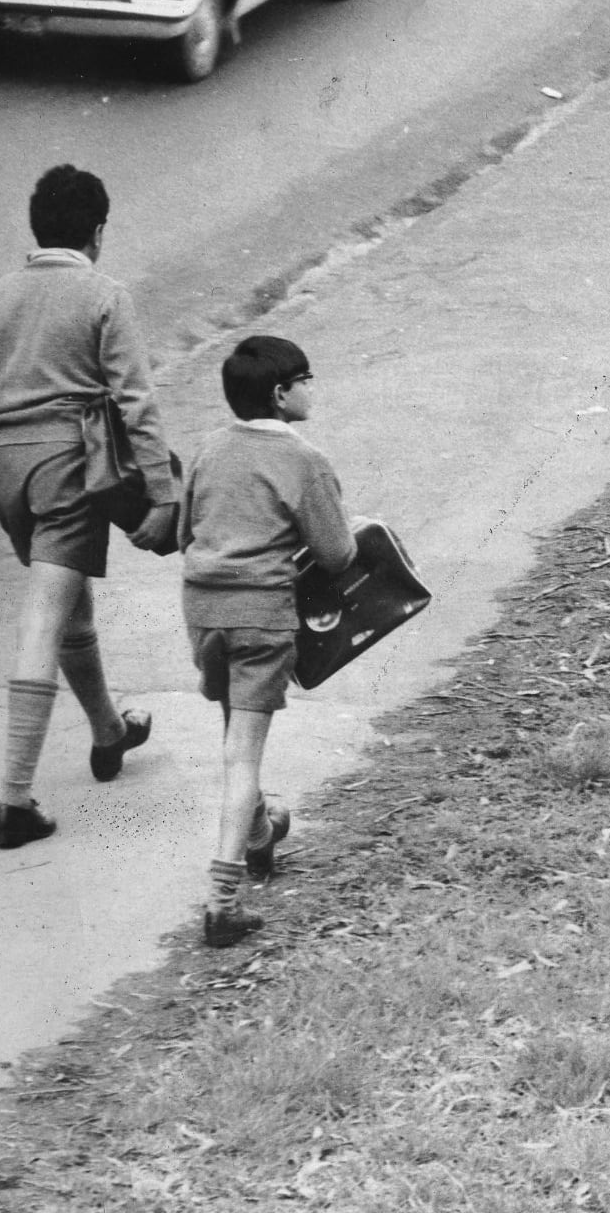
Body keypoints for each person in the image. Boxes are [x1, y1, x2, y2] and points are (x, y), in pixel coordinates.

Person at [0, 164, 178, 850]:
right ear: (98, 232)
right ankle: (14, 804)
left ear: (36, 229)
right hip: (71, 466)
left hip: (8, 471)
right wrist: (163, 491)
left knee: (65, 603)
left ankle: (109, 732)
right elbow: (136, 402)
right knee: (44, 618)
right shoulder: (105, 295)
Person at [177, 334, 358, 947]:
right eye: (305, 379)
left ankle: (259, 833)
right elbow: (337, 554)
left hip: (203, 610)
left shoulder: (209, 449)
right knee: (243, 757)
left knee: (235, 731)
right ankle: (223, 903)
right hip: (262, 615)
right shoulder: (304, 460)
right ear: (281, 394)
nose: (311, 389)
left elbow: (184, 532)